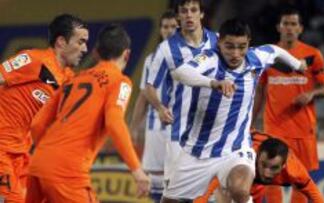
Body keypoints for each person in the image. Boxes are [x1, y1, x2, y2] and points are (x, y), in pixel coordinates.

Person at [163, 18, 306, 202]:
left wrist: (297, 65)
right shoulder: (210, 58)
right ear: (219, 42)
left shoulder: (256, 58)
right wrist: (213, 83)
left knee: (239, 189)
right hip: (197, 151)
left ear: (249, 44)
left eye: (242, 47)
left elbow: (275, 50)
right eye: (229, 46)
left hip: (235, 149)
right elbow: (181, 72)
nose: (236, 53)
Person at [26, 24, 150, 203]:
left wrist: (48, 156)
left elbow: (37, 124)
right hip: (67, 171)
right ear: (127, 54)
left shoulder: (72, 80)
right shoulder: (120, 82)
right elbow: (114, 122)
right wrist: (137, 171)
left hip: (38, 162)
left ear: (96, 53)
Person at [0, 14, 88, 202]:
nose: (84, 49)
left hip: (21, 153)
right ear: (61, 41)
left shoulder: (69, 80)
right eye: (80, 42)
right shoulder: (32, 60)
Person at [252, 7, 324, 203]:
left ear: (300, 28)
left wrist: (311, 94)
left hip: (303, 128)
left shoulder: (313, 55)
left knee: (300, 177)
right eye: (285, 24)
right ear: (279, 27)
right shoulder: (268, 56)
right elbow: (260, 93)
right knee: (269, 174)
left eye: (293, 24)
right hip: (275, 127)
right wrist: (250, 121)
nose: (289, 28)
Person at [144, 0, 218, 191]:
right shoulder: (167, 48)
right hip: (179, 132)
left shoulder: (218, 41)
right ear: (178, 16)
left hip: (214, 131)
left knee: (215, 191)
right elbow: (150, 86)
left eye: (193, 10)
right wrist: (160, 107)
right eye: (184, 11)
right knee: (175, 191)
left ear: (201, 14)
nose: (189, 15)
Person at [195, 131, 324, 203]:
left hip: (254, 181)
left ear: (283, 166)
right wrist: (201, 200)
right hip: (231, 150)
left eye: (274, 168)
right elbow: (216, 179)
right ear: (258, 158)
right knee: (227, 192)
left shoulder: (294, 171)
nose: (267, 173)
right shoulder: (245, 157)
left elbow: (314, 195)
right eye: (264, 165)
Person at [130, 10, 178, 202]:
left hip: (181, 127)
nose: (169, 30)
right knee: (156, 182)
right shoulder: (151, 59)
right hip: (155, 127)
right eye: (165, 26)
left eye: (173, 26)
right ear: (160, 30)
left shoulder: (192, 57)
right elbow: (143, 95)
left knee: (180, 180)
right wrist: (133, 127)